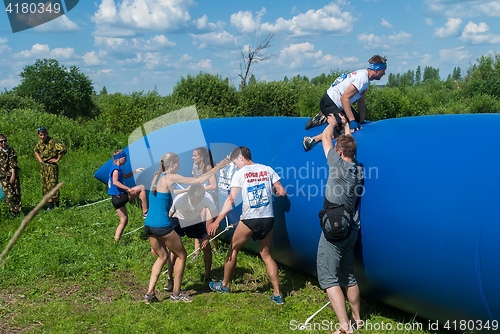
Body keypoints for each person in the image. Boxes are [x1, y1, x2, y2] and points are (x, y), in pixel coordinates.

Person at [143, 152, 228, 304]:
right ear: (171, 165)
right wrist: (218, 167)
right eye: (178, 164)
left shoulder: (156, 177)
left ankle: (149, 294)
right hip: (162, 225)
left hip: (149, 225)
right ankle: (176, 294)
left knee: (162, 257)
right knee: (182, 255)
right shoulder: (170, 177)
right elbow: (199, 180)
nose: (180, 166)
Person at [207, 146, 287, 305]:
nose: (235, 165)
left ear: (241, 157)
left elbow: (230, 200)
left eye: (235, 162)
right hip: (268, 217)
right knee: (266, 256)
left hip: (250, 218)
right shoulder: (267, 169)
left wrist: (217, 221)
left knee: (233, 249)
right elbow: (281, 192)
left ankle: (225, 285)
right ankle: (278, 294)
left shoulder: (240, 174)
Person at [316, 115, 364, 334]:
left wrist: (332, 121)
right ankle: (357, 320)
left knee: (328, 277)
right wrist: (346, 126)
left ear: (340, 152)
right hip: (352, 225)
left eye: (337, 149)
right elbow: (344, 145)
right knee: (348, 275)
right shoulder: (357, 169)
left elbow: (326, 137)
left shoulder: (336, 164)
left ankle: (345, 328)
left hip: (335, 228)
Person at [303, 55, 387, 152]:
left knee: (357, 121)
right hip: (329, 102)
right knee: (343, 129)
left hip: (339, 104)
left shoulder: (365, 78)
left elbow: (361, 99)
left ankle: (327, 116)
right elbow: (344, 98)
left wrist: (361, 120)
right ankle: (313, 138)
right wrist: (351, 121)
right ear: (376, 69)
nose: (384, 74)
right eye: (383, 70)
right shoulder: (362, 78)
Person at [164, 184, 218, 291]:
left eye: (199, 201)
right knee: (174, 250)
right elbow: (168, 216)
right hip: (178, 219)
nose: (196, 203)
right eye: (194, 201)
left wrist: (207, 237)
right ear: (189, 194)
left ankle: (207, 277)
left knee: (207, 247)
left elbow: (214, 218)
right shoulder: (180, 199)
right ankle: (170, 279)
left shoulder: (208, 198)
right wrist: (162, 235)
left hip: (194, 220)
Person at [107, 149, 148, 242]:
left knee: (124, 220)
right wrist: (127, 188)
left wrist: (136, 171)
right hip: (119, 196)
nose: (126, 160)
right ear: (119, 159)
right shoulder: (116, 169)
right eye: (124, 158)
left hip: (115, 199)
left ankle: (115, 241)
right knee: (141, 188)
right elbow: (115, 182)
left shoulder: (115, 168)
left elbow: (125, 176)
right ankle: (145, 212)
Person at [192, 147, 220, 253]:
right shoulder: (195, 167)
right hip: (200, 198)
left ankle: (215, 247)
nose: (192, 158)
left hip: (210, 199)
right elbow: (196, 182)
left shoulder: (208, 168)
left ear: (202, 157)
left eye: (195, 156)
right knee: (197, 223)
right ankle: (196, 252)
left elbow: (213, 186)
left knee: (209, 227)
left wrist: (201, 189)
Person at [34, 127, 66, 210]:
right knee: (46, 186)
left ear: (47, 134)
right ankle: (50, 205)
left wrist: (57, 159)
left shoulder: (52, 142)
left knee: (53, 185)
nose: (43, 136)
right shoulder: (39, 143)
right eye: (41, 135)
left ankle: (57, 205)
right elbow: (36, 150)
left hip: (52, 166)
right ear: (38, 135)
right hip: (44, 166)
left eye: (44, 134)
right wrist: (39, 159)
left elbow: (63, 149)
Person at [0, 134, 21, 217]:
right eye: (1, 141)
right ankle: (13, 211)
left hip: (12, 174)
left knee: (16, 193)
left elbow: (13, 164)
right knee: (9, 195)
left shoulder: (10, 150)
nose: (3, 142)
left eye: (5, 140)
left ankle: (18, 212)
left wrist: (13, 175)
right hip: (3, 176)